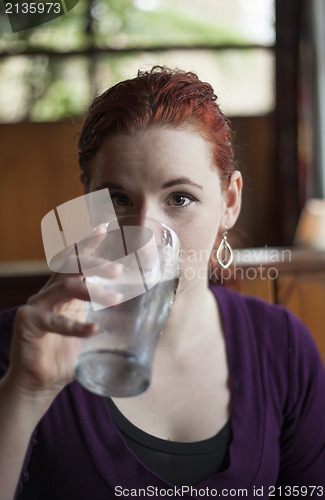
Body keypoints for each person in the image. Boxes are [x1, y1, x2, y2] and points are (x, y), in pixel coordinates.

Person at [0, 66, 324, 499]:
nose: (144, 237)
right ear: (88, 202)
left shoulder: (281, 347)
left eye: (180, 198)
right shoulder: (19, 347)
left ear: (230, 202)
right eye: (119, 199)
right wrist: (24, 392)